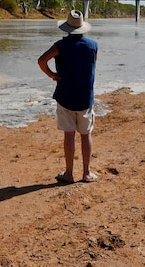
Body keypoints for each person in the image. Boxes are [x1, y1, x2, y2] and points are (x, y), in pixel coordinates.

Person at [38, 10, 99, 184]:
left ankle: (69, 173)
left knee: (69, 135)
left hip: (65, 96)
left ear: (66, 29)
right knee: (86, 134)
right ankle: (87, 173)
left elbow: (41, 61)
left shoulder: (60, 45)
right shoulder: (93, 45)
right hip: (85, 97)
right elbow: (92, 66)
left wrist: (52, 74)